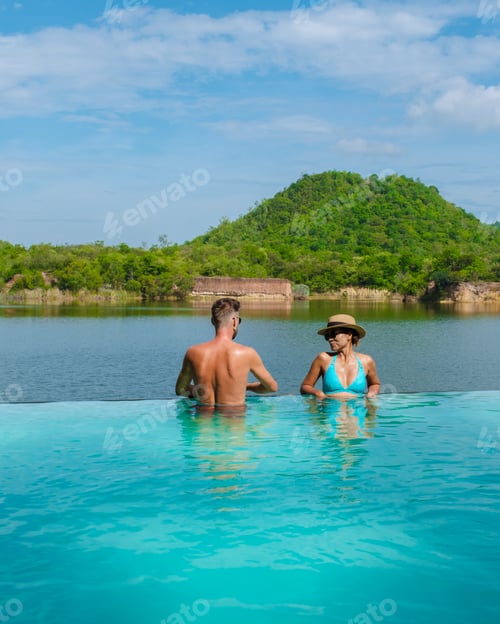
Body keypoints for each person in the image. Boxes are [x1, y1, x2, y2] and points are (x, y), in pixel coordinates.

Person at [175, 297, 278, 407]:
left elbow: (180, 390)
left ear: (212, 321)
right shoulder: (247, 353)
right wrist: (246, 387)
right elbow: (271, 387)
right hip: (232, 420)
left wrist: (202, 392)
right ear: (235, 321)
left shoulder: (193, 352)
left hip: (202, 422)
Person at [300, 313, 380, 399]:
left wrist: (371, 393)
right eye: (328, 336)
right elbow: (305, 386)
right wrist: (317, 393)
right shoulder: (323, 359)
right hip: (330, 410)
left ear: (349, 335)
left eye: (334, 334)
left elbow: (374, 384)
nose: (330, 339)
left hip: (358, 410)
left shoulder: (366, 361)